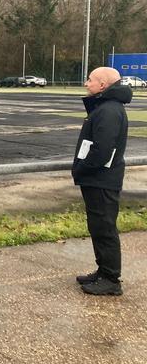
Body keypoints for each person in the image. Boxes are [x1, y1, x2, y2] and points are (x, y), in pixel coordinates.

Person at [73, 67, 131, 296]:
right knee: (98, 226)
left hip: (102, 180)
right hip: (98, 179)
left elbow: (102, 150)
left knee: (104, 228)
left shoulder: (108, 111)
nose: (87, 84)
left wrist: (81, 168)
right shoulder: (105, 107)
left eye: (90, 80)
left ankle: (110, 279)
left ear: (103, 85)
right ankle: (103, 270)